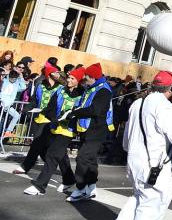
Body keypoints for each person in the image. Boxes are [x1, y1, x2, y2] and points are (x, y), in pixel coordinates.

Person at [93, 71, 172, 220]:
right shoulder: (167, 108)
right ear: (171, 88)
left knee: (139, 199)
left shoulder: (136, 104)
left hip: (135, 162)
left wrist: (128, 151)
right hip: (156, 165)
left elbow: (127, 136)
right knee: (152, 206)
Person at [23, 68, 83, 196]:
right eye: (68, 77)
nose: (69, 80)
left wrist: (71, 114)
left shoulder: (82, 94)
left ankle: (40, 185)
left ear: (79, 81)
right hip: (54, 125)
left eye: (72, 78)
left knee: (52, 155)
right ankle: (69, 179)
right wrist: (52, 117)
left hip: (68, 130)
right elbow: (51, 106)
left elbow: (82, 111)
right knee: (60, 155)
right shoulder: (61, 90)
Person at [67, 63, 114, 202]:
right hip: (87, 129)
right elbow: (84, 105)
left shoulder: (103, 91)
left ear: (92, 77)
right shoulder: (92, 88)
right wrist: (74, 110)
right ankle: (91, 187)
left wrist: (76, 112)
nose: (84, 78)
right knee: (91, 160)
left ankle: (80, 188)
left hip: (97, 130)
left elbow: (95, 110)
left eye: (86, 76)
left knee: (82, 158)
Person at [14, 63, 62, 174]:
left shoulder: (61, 88)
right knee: (42, 145)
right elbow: (34, 100)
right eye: (55, 72)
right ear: (49, 74)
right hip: (39, 119)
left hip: (51, 120)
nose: (58, 74)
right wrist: (26, 108)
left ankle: (26, 166)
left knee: (37, 144)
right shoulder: (40, 86)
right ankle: (54, 165)